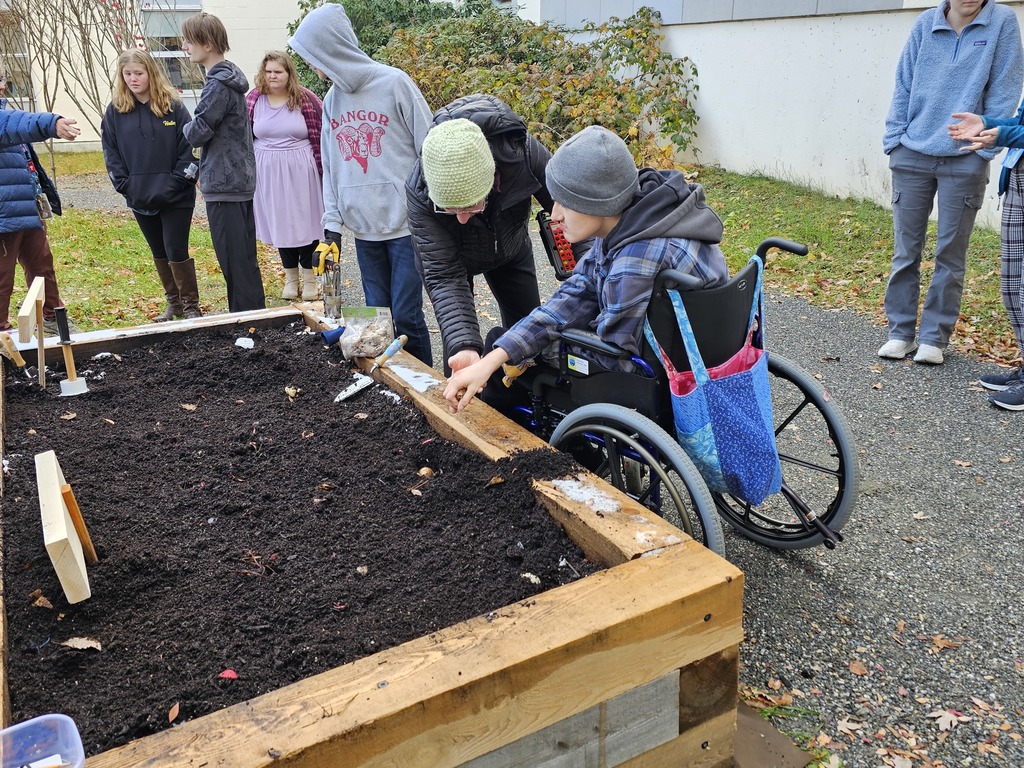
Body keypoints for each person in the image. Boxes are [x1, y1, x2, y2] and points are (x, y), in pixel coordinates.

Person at [442, 125, 729, 412]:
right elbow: (578, 290)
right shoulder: (645, 217)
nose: (555, 215)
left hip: (650, 383)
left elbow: (615, 361)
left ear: (594, 201)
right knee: (504, 345)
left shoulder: (635, 260)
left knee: (513, 354)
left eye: (563, 202)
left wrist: (529, 351)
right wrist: (499, 354)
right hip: (696, 358)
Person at [878, 0, 1023, 365]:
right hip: (912, 152)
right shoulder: (925, 23)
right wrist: (894, 140)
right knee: (905, 250)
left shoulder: (1002, 21)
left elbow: (1006, 86)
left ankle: (933, 338)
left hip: (965, 157)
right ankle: (900, 332)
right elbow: (904, 82)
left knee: (950, 255)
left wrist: (984, 148)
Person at [290, 3, 434, 366]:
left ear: (332, 48)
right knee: (377, 319)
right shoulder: (331, 102)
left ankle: (425, 387)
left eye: (313, 56)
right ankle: (394, 386)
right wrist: (332, 229)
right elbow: (333, 170)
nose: (311, 65)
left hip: (405, 225)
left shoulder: (394, 83)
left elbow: (430, 146)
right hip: (365, 232)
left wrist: (433, 208)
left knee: (406, 315)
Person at [407, 94, 581, 376]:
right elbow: (444, 276)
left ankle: (526, 404)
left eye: (471, 206)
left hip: (510, 244)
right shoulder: (420, 190)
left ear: (492, 179)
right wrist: (464, 346)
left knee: (527, 335)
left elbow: (578, 213)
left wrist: (590, 281)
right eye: (450, 210)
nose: (462, 219)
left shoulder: (523, 154)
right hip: (452, 261)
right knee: (461, 353)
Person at [102, 49, 202, 322]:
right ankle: (174, 305)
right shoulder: (115, 112)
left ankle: (191, 306)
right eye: (128, 74)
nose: (133, 79)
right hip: (140, 196)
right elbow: (111, 153)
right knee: (158, 250)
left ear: (151, 74)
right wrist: (126, 186)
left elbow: (190, 149)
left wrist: (178, 182)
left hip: (176, 196)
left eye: (139, 73)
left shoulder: (174, 107)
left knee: (175, 248)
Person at [180, 11, 266, 313]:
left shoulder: (217, 85)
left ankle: (246, 326)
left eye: (188, 41)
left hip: (226, 184)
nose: (185, 47)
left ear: (206, 43)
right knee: (243, 261)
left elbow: (197, 131)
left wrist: (185, 127)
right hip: (236, 181)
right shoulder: (228, 80)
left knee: (235, 263)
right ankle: (255, 323)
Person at [950, 99, 1024, 409]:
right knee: (1011, 287)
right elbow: (1021, 122)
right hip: (1018, 177)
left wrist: (1002, 136)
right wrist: (985, 122)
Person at [0, 63, 81, 337]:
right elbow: (17, 123)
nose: (2, 84)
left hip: (25, 208)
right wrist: (52, 123)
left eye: (1, 78)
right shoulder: (4, 119)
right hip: (3, 218)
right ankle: (2, 334)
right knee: (2, 278)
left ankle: (52, 320)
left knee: (42, 267)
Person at [245, 51, 324, 302]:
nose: (272, 76)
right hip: (268, 171)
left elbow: (324, 132)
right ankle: (291, 279)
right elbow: (244, 135)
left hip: (301, 170)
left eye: (278, 72)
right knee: (281, 222)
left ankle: (310, 280)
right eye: (268, 72)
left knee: (305, 221)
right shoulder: (254, 99)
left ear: (289, 73)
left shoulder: (306, 99)